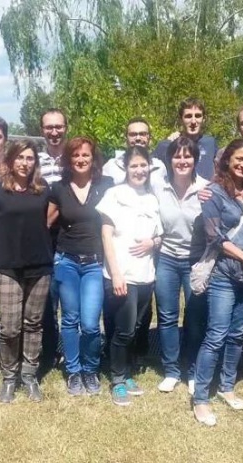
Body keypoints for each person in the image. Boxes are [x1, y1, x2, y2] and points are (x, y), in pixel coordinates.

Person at [192, 139, 243, 427]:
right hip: (224, 275)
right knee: (216, 335)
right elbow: (215, 237)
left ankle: (227, 387)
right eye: (239, 159)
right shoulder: (213, 193)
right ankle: (200, 398)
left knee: (237, 335)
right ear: (227, 160)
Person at [0, 140, 53, 403]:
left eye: (30, 158)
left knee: (33, 324)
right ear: (11, 160)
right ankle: (9, 377)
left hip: (39, 266)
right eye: (20, 158)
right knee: (10, 327)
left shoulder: (43, 189)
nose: (25, 163)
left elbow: (50, 222)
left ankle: (29, 374)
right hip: (7, 266)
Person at [97, 145, 162, 406]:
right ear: (125, 168)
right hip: (122, 274)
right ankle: (117, 380)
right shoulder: (114, 194)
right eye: (134, 165)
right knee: (123, 329)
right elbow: (106, 235)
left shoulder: (152, 198)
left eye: (143, 165)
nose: (139, 170)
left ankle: (126, 373)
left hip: (146, 275)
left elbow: (159, 235)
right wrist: (115, 274)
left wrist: (153, 243)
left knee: (135, 328)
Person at [48, 136, 113, 396]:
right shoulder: (59, 187)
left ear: (93, 158)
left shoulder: (106, 185)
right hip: (66, 261)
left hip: (94, 263)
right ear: (68, 159)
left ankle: (90, 369)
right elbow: (46, 222)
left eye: (85, 154)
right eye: (75, 155)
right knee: (70, 319)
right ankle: (74, 370)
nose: (81, 159)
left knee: (90, 323)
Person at [152, 137, 209, 394]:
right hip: (166, 258)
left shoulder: (206, 189)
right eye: (177, 156)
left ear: (195, 159)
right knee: (167, 316)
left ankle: (193, 370)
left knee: (195, 318)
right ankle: (171, 371)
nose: (182, 161)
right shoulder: (158, 187)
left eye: (187, 156)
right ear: (169, 160)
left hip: (195, 261)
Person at [38, 108, 67, 369]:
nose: (54, 132)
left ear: (66, 128)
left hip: (70, 236)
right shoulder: (34, 161)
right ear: (42, 130)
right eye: (49, 127)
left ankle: (70, 350)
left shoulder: (75, 158)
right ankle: (49, 351)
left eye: (58, 126)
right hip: (42, 236)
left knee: (69, 297)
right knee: (46, 298)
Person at [154, 98, 219, 181]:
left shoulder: (210, 143)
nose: (193, 121)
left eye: (198, 116)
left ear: (204, 119)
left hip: (207, 188)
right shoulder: (168, 145)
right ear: (180, 119)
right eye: (188, 116)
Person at [102, 117, 167, 183]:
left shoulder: (159, 167)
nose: (138, 138)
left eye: (142, 134)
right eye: (133, 134)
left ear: (149, 137)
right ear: (126, 138)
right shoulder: (111, 166)